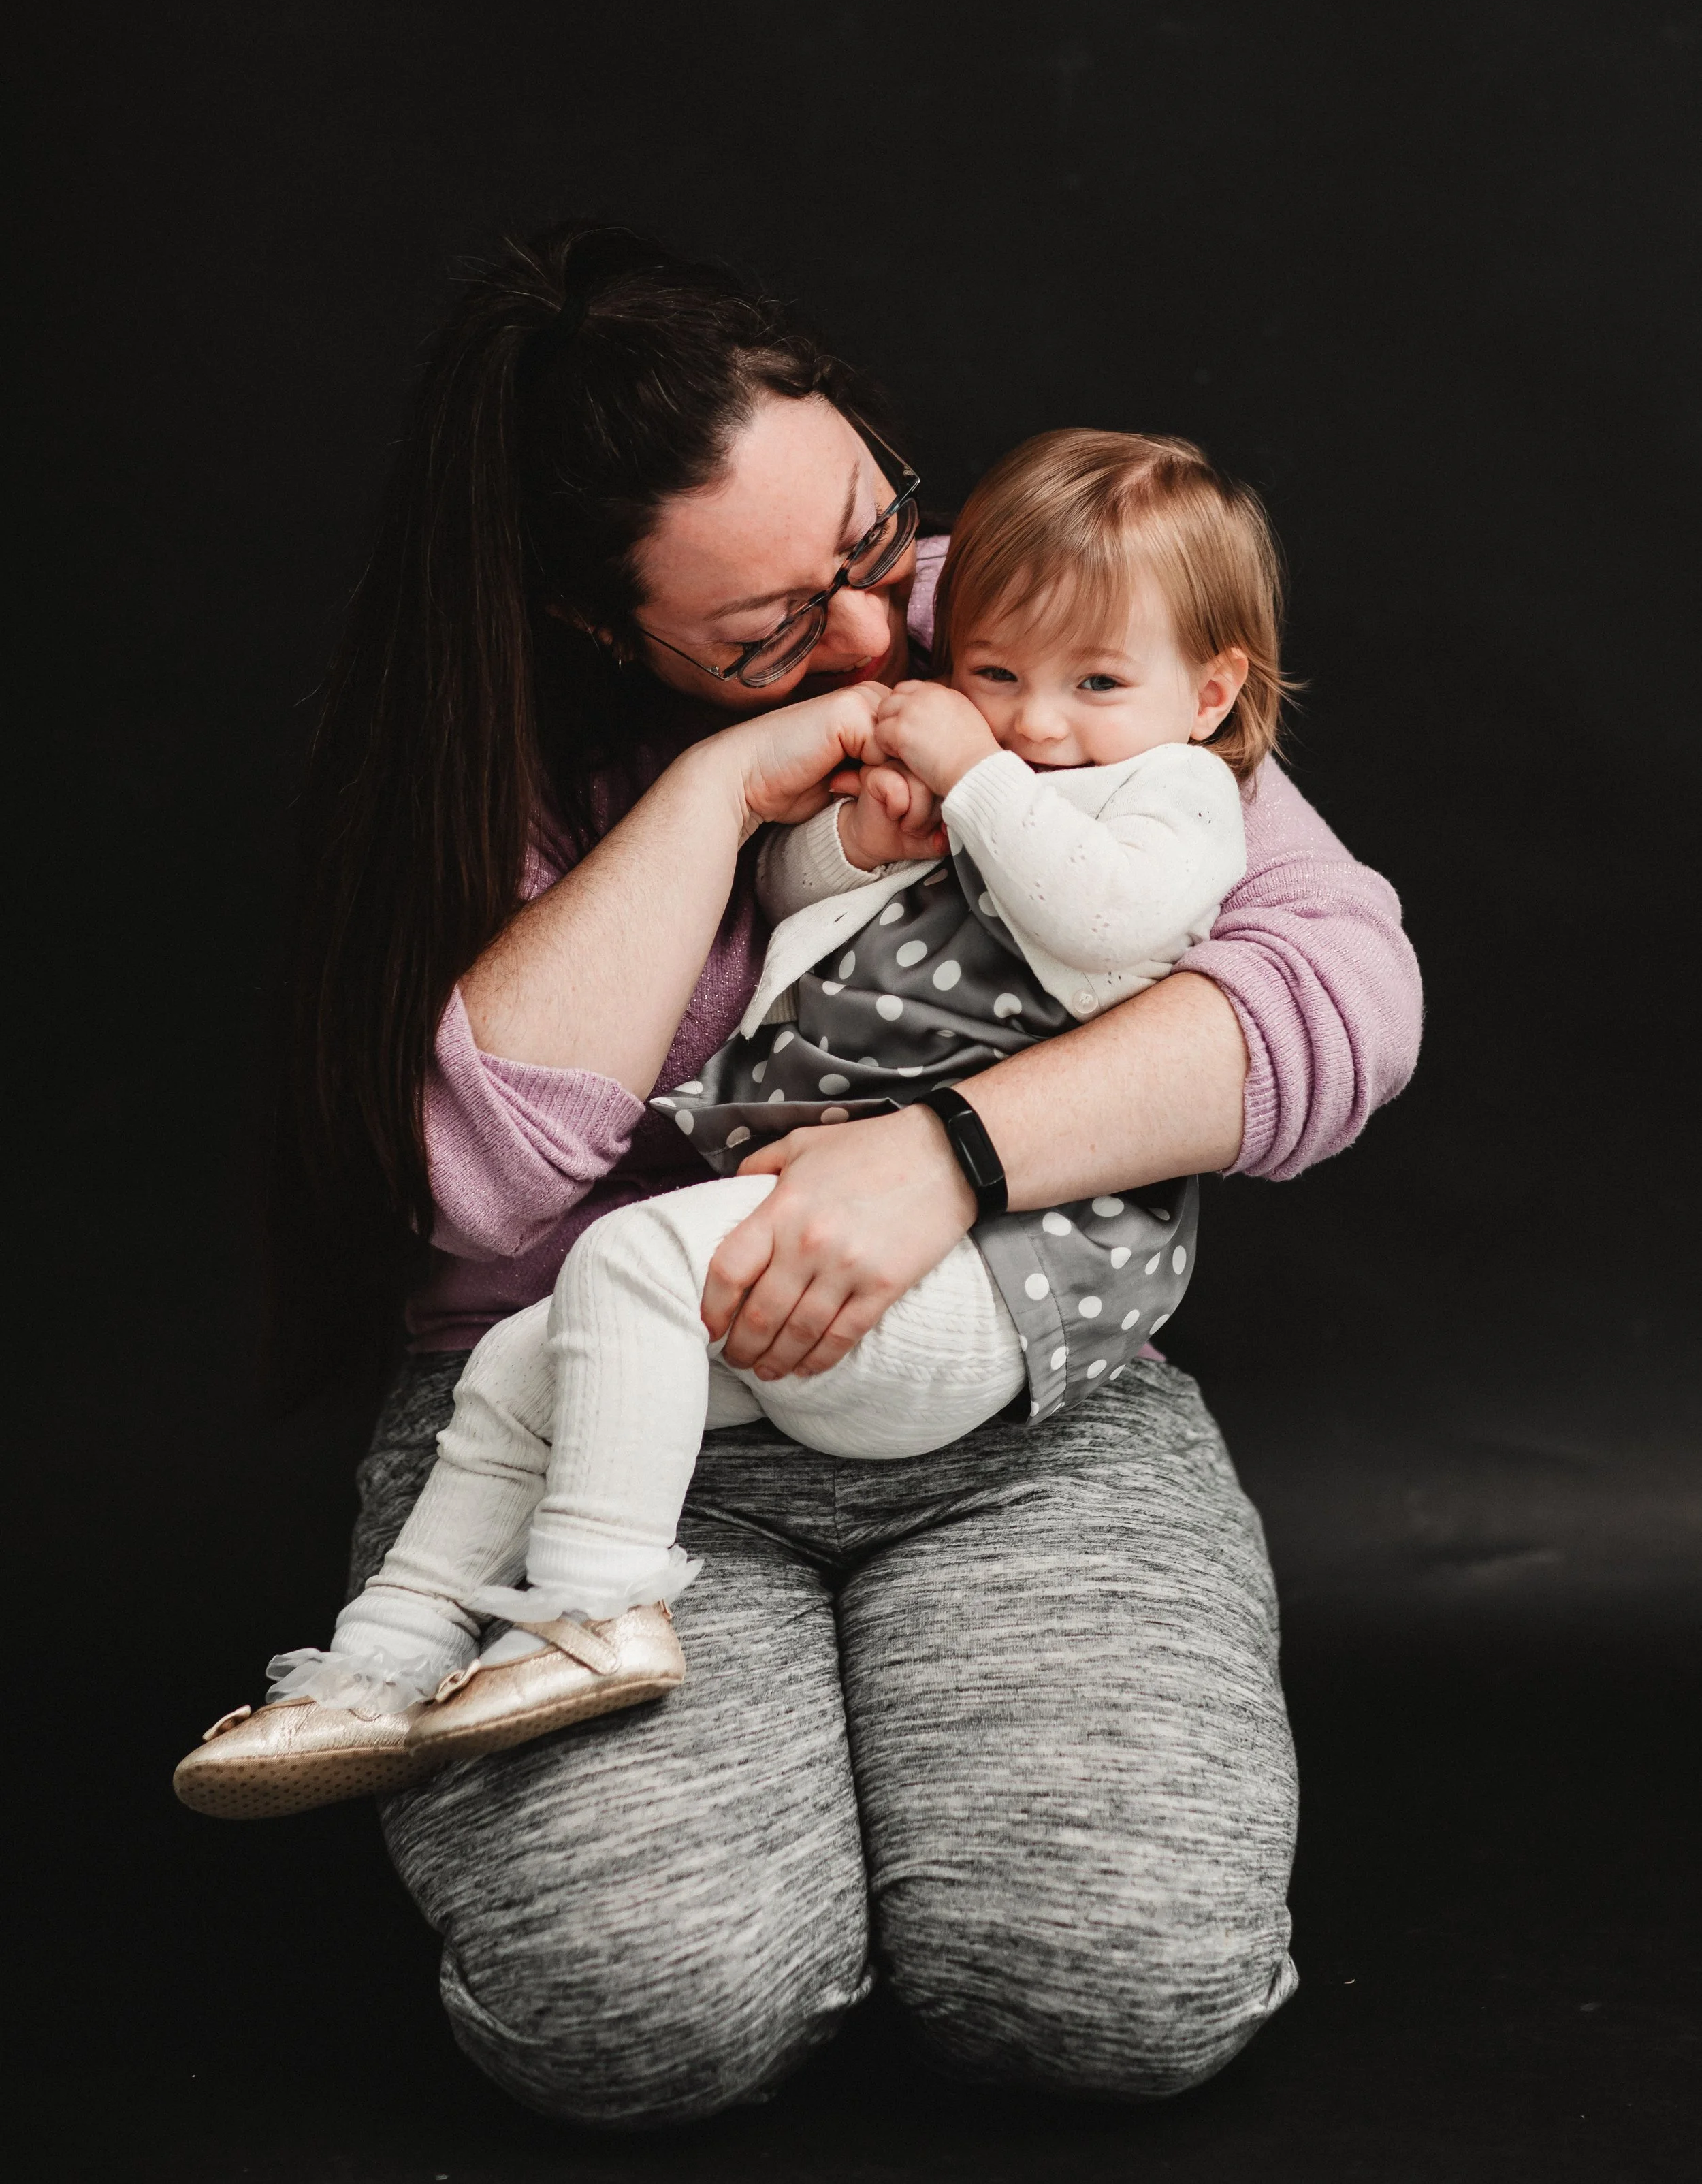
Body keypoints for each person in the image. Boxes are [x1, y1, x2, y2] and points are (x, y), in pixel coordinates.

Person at [198, 221, 1422, 2121]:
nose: (878, 637)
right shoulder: (503, 753)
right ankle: (414, 1665)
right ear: (602, 631)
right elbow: (480, 1188)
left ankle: (911, 1752)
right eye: (768, 631)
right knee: (638, 2003)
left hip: (1004, 1373)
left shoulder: (1029, 621)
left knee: (1119, 1980)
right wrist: (728, 783)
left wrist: (948, 1151)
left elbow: (1336, 997)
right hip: (597, 1411)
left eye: (869, 538)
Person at [178, 427, 1283, 1808]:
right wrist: (858, 846)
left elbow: (1106, 924)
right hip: (827, 1279)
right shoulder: (985, 760)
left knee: (623, 1264)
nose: (1037, 718)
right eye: (993, 675)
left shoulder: (1165, 789)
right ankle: (374, 1671)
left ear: (1208, 690)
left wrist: (982, 779)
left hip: (987, 1283)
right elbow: (786, 907)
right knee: (536, 1353)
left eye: (1094, 686)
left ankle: (594, 1610)